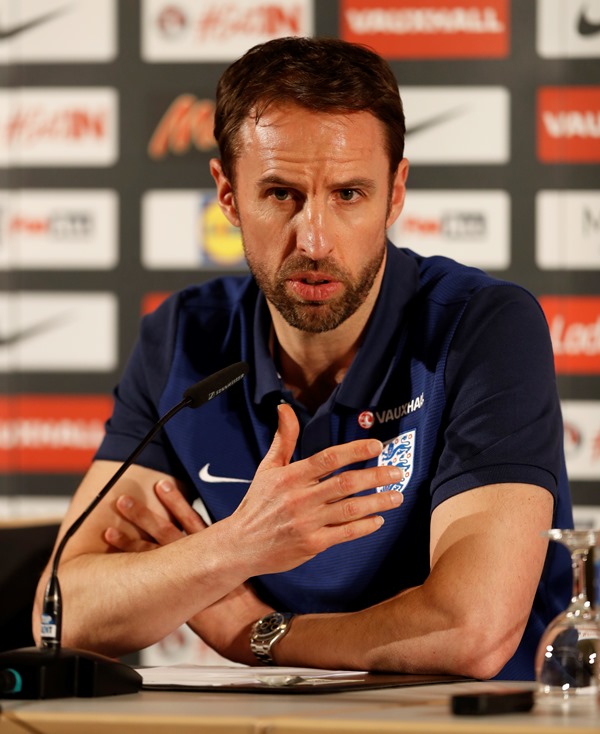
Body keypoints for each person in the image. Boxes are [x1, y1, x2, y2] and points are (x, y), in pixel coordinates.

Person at [34, 36, 572, 680]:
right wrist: (234, 548)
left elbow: (472, 630)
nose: (314, 241)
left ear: (395, 192)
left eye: (348, 194)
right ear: (228, 194)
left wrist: (258, 634)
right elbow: (61, 616)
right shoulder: (183, 337)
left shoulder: (482, 326)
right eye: (281, 193)